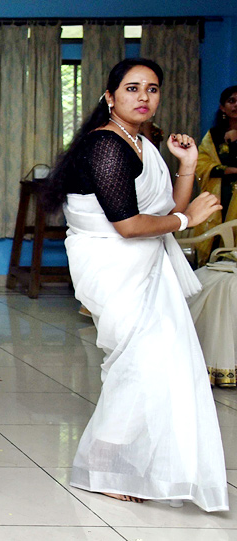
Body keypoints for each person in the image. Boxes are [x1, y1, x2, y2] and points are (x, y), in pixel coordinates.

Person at [49, 58, 227, 511]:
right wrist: (188, 217)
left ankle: (131, 460)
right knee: (137, 361)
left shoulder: (141, 142)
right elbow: (130, 226)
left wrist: (186, 164)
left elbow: (164, 214)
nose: (143, 96)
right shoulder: (107, 147)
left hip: (144, 263)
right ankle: (104, 464)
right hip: (113, 266)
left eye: (152, 88)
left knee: (156, 361)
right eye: (132, 88)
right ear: (110, 97)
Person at [189, 86, 237, 258]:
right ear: (222, 107)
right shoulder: (214, 135)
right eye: (231, 101)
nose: (236, 105)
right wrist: (228, 170)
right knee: (216, 239)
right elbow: (201, 163)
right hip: (220, 192)